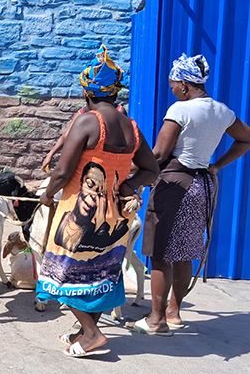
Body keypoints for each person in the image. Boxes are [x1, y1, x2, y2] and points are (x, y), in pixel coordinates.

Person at [36, 45, 159, 358]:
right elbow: (151, 169)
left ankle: (92, 334)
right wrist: (126, 185)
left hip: (79, 214)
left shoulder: (88, 122)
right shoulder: (131, 127)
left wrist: (48, 194)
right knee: (100, 273)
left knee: (63, 273)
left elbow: (63, 171)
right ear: (115, 93)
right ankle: (84, 331)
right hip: (116, 217)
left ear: (86, 92)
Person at [132, 53, 250, 336]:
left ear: (185, 85)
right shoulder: (222, 111)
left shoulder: (180, 110)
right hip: (201, 185)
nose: (172, 89)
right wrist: (217, 165)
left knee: (161, 253)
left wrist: (134, 174)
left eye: (173, 84)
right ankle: (174, 313)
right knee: (184, 251)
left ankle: (156, 321)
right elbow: (248, 138)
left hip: (174, 185)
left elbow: (159, 154)